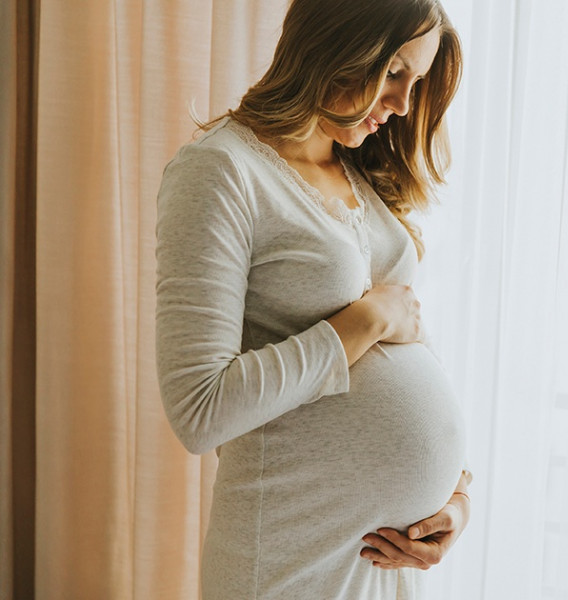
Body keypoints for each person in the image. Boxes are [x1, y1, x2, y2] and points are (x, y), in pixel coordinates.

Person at [154, 1, 470, 597]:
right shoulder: (222, 171)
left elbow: (408, 339)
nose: (404, 103)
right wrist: (363, 323)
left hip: (384, 562)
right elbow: (199, 410)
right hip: (289, 559)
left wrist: (454, 497)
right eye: (395, 71)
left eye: (418, 82)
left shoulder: (355, 169)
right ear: (336, 41)